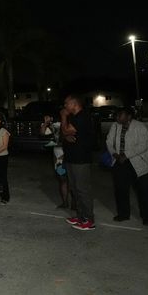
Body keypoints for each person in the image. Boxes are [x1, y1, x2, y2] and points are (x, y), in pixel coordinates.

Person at [105, 107, 148, 226]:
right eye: (117, 115)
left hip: (138, 163)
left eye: (120, 115)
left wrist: (126, 155)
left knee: (143, 191)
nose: (117, 117)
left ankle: (147, 216)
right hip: (120, 162)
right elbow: (108, 141)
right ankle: (123, 214)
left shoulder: (140, 127)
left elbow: (143, 145)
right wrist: (114, 154)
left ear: (129, 116)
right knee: (121, 190)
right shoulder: (115, 126)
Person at [61, 95, 96, 231]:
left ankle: (89, 220)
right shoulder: (74, 117)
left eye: (66, 104)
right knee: (75, 189)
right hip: (72, 158)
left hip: (81, 159)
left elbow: (66, 130)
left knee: (83, 190)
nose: (64, 107)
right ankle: (81, 217)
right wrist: (66, 134)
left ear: (73, 103)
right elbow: (65, 133)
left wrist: (63, 117)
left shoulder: (82, 116)